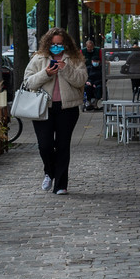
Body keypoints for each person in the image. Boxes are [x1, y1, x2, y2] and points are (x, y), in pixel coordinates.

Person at [24, 28, 87, 195]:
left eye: (60, 44)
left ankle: (60, 185)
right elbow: (28, 82)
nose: (56, 47)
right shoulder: (38, 58)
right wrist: (46, 73)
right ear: (47, 43)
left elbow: (81, 80)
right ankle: (49, 171)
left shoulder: (75, 59)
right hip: (42, 108)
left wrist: (65, 69)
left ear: (66, 44)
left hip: (67, 108)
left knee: (62, 146)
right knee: (45, 145)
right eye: (53, 44)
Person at [82, 38, 103, 110]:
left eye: (90, 47)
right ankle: (89, 102)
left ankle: (95, 103)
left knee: (99, 87)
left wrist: (96, 83)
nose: (89, 49)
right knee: (87, 87)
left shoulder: (101, 69)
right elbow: (86, 76)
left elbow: (102, 78)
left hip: (98, 82)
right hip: (90, 82)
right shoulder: (88, 68)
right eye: (88, 47)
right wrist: (88, 82)